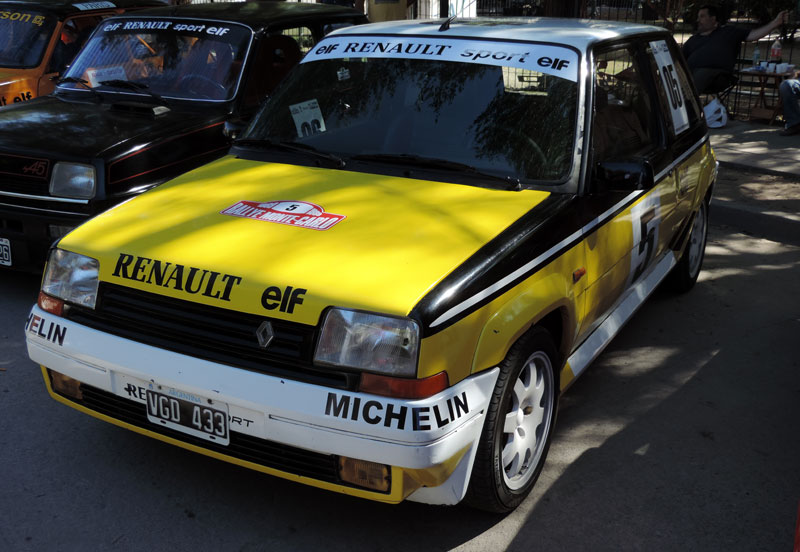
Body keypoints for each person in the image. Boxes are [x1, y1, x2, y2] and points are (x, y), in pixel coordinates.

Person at [682, 5, 789, 94]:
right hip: (691, 74)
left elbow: (753, 35)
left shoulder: (728, 32)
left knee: (699, 76)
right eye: (698, 17)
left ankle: (689, 113)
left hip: (717, 76)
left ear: (713, 18)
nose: (698, 20)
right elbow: (679, 58)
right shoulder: (693, 39)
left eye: (702, 17)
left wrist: (775, 23)